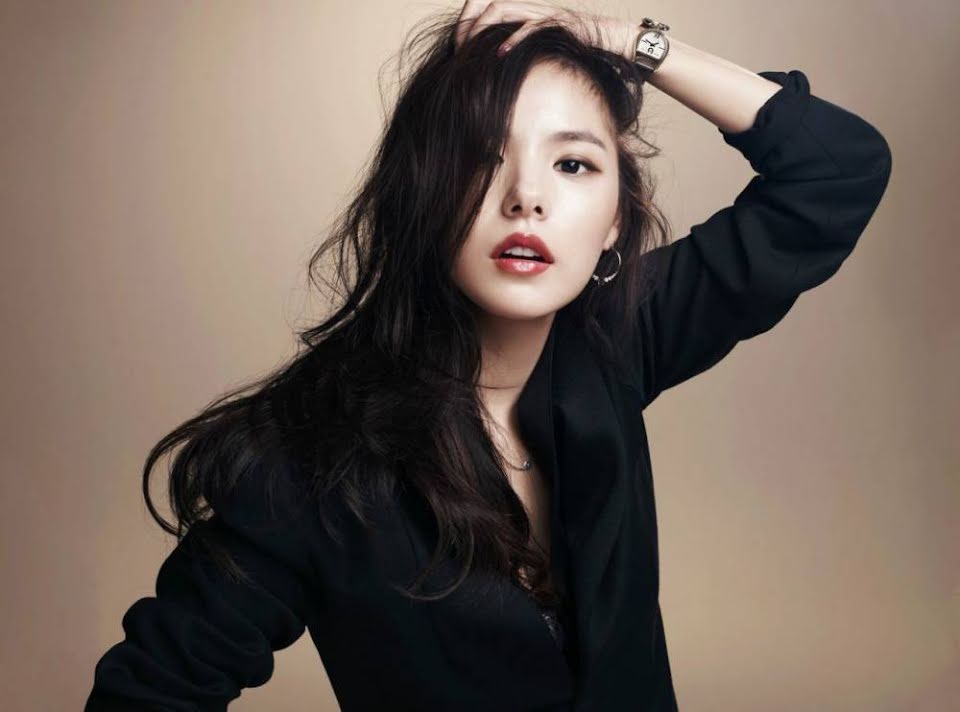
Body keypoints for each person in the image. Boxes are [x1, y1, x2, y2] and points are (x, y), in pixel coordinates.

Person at [83, 2, 892, 710]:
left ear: (615, 219)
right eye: (480, 157)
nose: (526, 198)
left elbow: (836, 170)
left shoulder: (612, 346)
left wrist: (626, 42)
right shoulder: (305, 459)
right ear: (420, 195)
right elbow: (151, 691)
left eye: (572, 163)